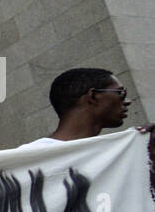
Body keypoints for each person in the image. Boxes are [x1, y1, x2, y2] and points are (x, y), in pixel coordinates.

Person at [25, 67, 153, 196]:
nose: (128, 101)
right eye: (121, 93)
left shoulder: (118, 154)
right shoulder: (27, 160)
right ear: (93, 96)